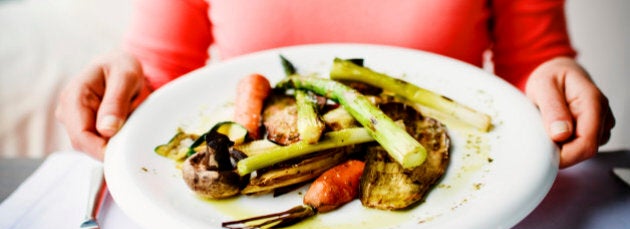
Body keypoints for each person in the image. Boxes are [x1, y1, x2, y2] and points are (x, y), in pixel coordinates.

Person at [56, 0, 615, 168]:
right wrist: (124, 86)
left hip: (458, 175)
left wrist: (551, 78)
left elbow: (533, 59)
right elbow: (162, 75)